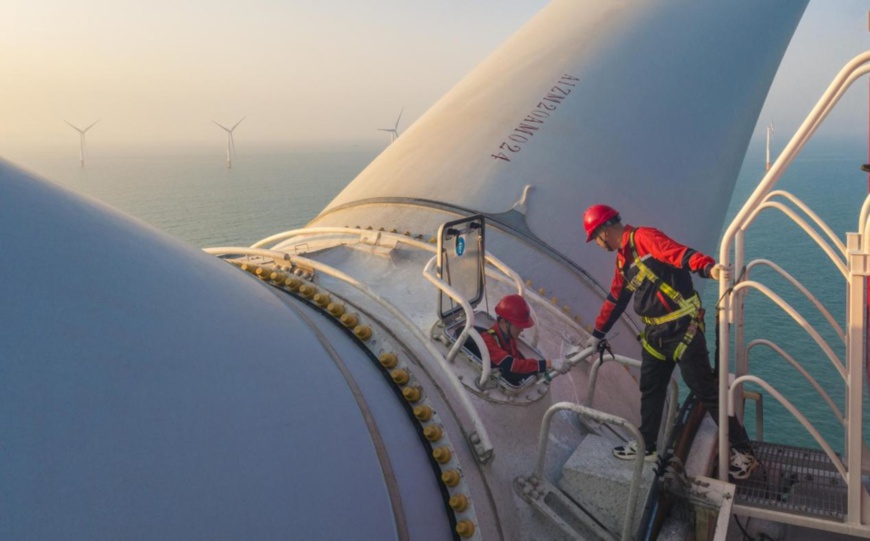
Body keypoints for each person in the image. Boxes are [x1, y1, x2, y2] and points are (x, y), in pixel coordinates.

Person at [583, 203, 757, 480]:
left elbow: (678, 254)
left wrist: (708, 268)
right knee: (651, 389)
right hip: (655, 336)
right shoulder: (623, 259)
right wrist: (597, 335)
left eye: (595, 238)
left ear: (604, 231)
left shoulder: (644, 238)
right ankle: (647, 445)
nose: (597, 244)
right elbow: (616, 298)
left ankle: (743, 451)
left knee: (705, 391)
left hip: (681, 330)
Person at [481, 294, 556, 385]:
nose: (522, 329)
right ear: (503, 321)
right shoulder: (487, 340)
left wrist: (540, 368)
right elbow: (510, 364)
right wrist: (546, 364)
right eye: (518, 325)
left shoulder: (510, 338)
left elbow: (517, 359)